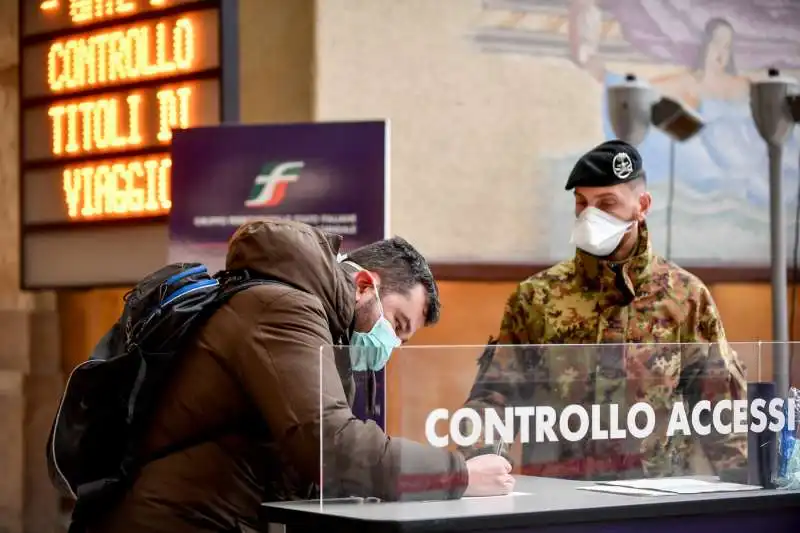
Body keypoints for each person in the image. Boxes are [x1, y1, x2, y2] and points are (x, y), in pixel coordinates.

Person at [91, 219, 514, 533]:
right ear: (365, 284)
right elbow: (329, 443)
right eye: (397, 324)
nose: (393, 345)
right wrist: (459, 475)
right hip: (178, 520)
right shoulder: (284, 310)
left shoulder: (309, 317)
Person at [459, 140, 747, 480]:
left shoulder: (685, 298)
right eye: (582, 203)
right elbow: (494, 399)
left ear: (642, 205)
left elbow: (722, 412)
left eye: (606, 203)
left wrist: (745, 489)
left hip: (656, 501)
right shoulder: (537, 298)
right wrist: (482, 466)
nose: (589, 215)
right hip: (559, 499)